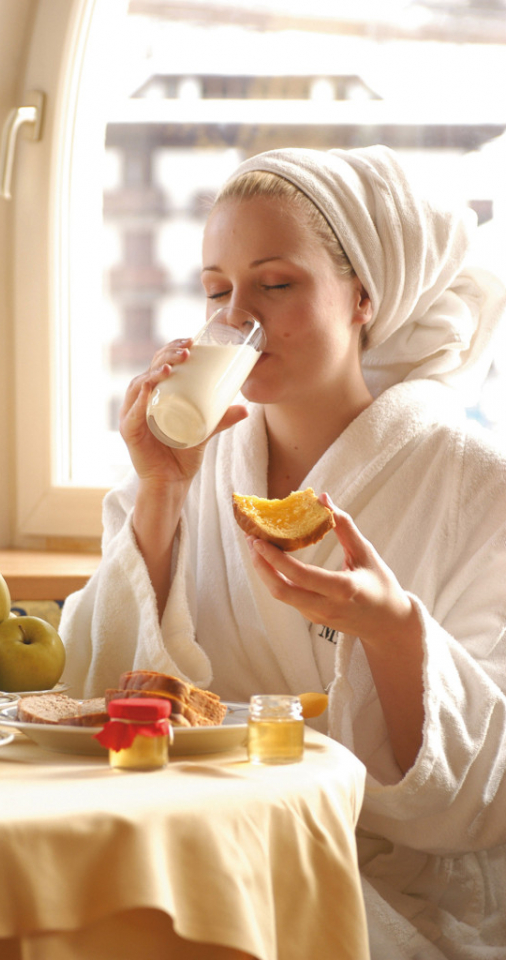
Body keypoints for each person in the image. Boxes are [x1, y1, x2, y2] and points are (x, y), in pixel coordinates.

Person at [59, 145, 506, 959]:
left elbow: (483, 790)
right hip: (200, 844)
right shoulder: (185, 471)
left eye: (277, 284)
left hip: (388, 876)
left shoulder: (477, 486)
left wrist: (396, 632)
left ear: (365, 296)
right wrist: (160, 491)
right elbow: (101, 697)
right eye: (218, 292)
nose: (241, 318)